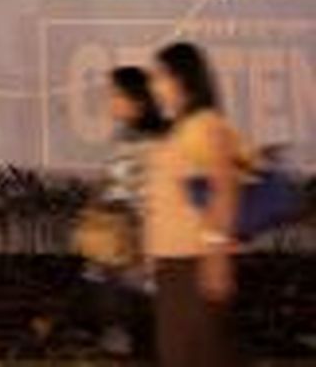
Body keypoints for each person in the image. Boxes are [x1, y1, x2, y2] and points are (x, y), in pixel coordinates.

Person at [145, 42, 244, 367]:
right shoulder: (181, 129)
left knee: (195, 356)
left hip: (194, 264)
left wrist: (216, 260)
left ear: (182, 79)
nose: (153, 85)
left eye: (160, 76)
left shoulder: (204, 126)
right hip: (174, 265)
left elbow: (224, 190)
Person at [87, 66, 168, 356]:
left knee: (138, 333)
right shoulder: (132, 135)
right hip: (126, 253)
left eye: (116, 95)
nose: (110, 101)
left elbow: (134, 199)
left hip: (133, 254)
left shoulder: (141, 141)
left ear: (138, 100)